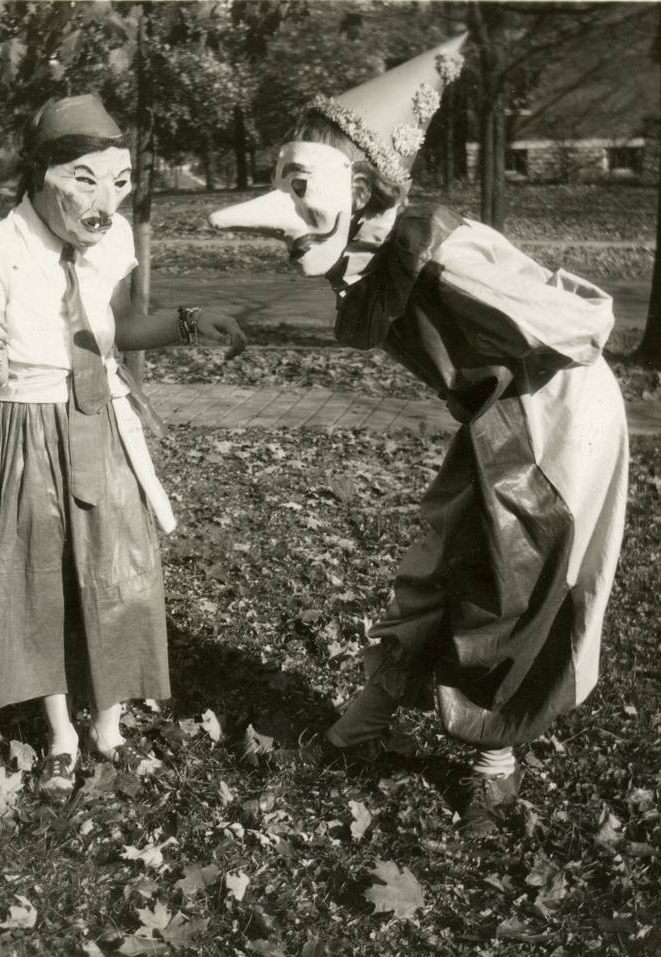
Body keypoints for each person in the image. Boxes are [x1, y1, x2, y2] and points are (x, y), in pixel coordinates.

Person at [211, 35, 628, 835]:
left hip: (556, 416)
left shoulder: (438, 250)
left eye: (302, 186)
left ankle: (494, 767)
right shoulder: (372, 254)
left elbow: (580, 325)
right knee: (438, 557)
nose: (284, 214)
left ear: (361, 187)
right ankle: (363, 722)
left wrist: (522, 367)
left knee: (510, 584)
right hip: (496, 415)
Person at [0, 94, 246, 799]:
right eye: (84, 180)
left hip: (102, 419)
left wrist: (189, 321)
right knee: (38, 577)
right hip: (26, 425)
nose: (104, 202)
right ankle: (60, 732)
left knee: (120, 568)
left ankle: (109, 726)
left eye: (118, 182)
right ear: (42, 172)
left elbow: (119, 330)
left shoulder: (113, 242)